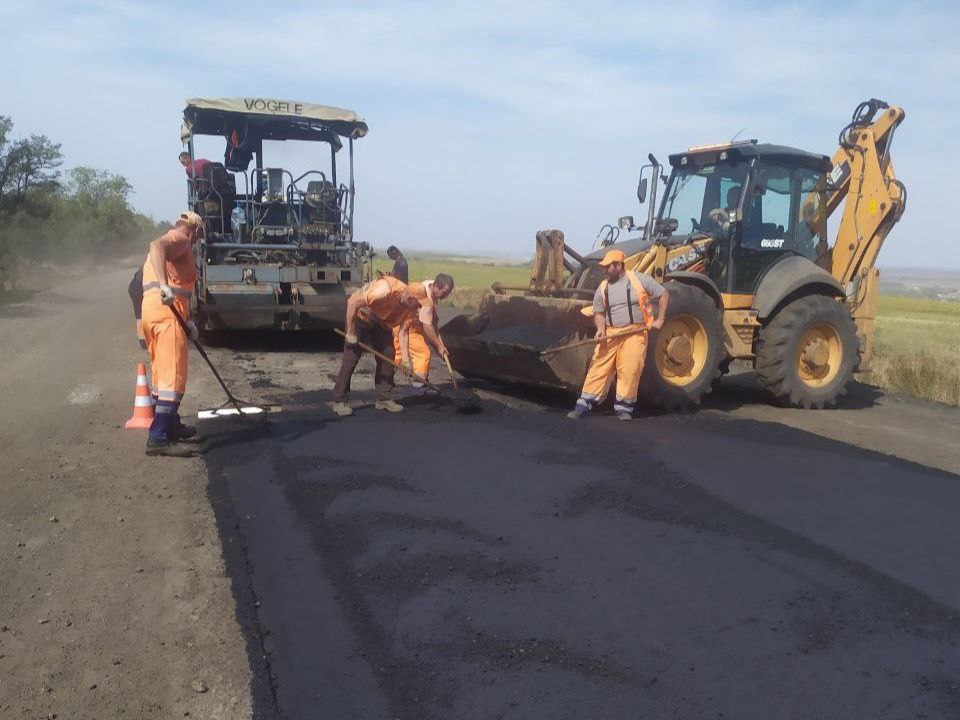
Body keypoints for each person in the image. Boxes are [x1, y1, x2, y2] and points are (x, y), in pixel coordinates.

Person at [567, 249, 668, 421]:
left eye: (608, 267)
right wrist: (600, 329)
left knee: (630, 369)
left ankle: (624, 408)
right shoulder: (603, 288)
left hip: (634, 333)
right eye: (604, 267)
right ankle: (583, 404)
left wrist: (660, 319)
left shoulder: (639, 279)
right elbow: (599, 312)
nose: (605, 270)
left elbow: (663, 294)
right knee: (599, 367)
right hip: (611, 333)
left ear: (619, 265)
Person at [141, 211, 204, 457]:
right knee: (173, 378)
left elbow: (179, 289)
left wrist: (188, 321)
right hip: (165, 315)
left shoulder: (179, 243)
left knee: (161, 376)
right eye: (200, 234)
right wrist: (164, 285)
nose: (199, 239)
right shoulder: (180, 238)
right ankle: (158, 438)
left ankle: (171, 427)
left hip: (158, 313)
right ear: (195, 229)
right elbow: (156, 246)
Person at [331, 276, 422, 416]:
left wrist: (405, 360)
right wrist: (350, 332)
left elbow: (403, 332)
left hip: (380, 322)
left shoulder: (411, 307)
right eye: (417, 304)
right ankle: (339, 400)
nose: (418, 307)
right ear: (410, 297)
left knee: (388, 353)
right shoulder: (384, 290)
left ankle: (384, 398)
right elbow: (352, 302)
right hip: (361, 316)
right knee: (351, 357)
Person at [394, 274, 455, 393]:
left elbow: (432, 321)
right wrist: (439, 346)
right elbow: (427, 327)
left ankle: (386, 382)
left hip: (409, 325)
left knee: (397, 355)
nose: (445, 296)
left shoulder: (431, 286)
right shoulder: (424, 296)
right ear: (436, 286)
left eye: (448, 293)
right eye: (444, 292)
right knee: (423, 353)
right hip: (407, 326)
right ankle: (418, 388)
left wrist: (438, 342)